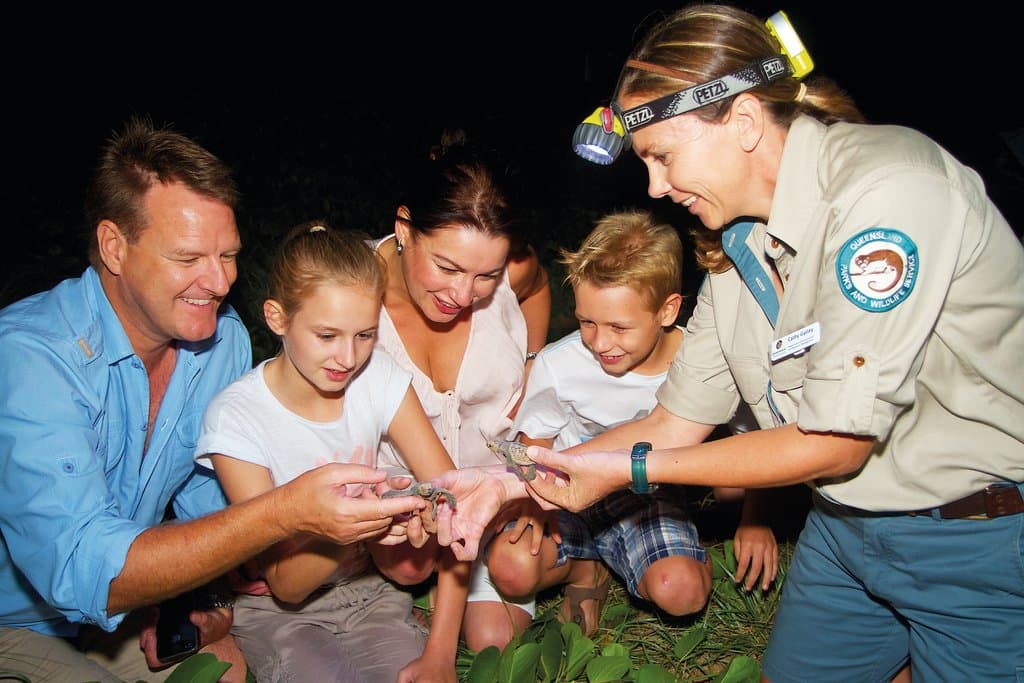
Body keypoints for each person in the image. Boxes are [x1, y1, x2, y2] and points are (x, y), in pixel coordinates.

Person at [466, 5, 1021, 682]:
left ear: (746, 121)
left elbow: (832, 439)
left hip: (975, 536)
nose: (655, 186)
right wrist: (511, 480)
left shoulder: (888, 192)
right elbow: (675, 420)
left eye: (663, 157)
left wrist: (626, 470)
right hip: (846, 523)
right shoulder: (736, 246)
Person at [0, 116, 428, 683]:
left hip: (129, 614)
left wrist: (220, 598)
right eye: (189, 258)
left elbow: (211, 506)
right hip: (19, 618)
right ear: (115, 246)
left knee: (222, 667)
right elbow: (79, 566)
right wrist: (282, 513)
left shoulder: (218, 340)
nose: (220, 281)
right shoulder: (30, 357)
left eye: (227, 255)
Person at [485, 209, 778, 640]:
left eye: (619, 327)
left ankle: (634, 558)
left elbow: (755, 444)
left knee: (682, 592)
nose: (600, 343)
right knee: (510, 567)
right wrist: (530, 504)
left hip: (646, 495)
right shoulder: (560, 364)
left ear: (667, 310)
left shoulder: (705, 365)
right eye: (587, 322)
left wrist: (756, 518)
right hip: (566, 490)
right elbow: (535, 442)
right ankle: (586, 569)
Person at [194, 221, 464, 682]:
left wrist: (440, 651)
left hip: (371, 594)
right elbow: (286, 585)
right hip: (279, 612)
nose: (347, 357)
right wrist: (361, 516)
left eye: (364, 335)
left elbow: (456, 502)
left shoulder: (377, 377)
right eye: (326, 336)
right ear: (277, 318)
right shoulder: (236, 419)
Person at [371, 145, 552, 652]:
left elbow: (537, 287)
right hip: (419, 509)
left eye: (485, 276)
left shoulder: (511, 272)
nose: (464, 292)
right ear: (404, 230)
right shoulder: (349, 294)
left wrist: (535, 361)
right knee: (408, 565)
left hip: (506, 479)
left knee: (495, 640)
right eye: (448, 267)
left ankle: (584, 563)